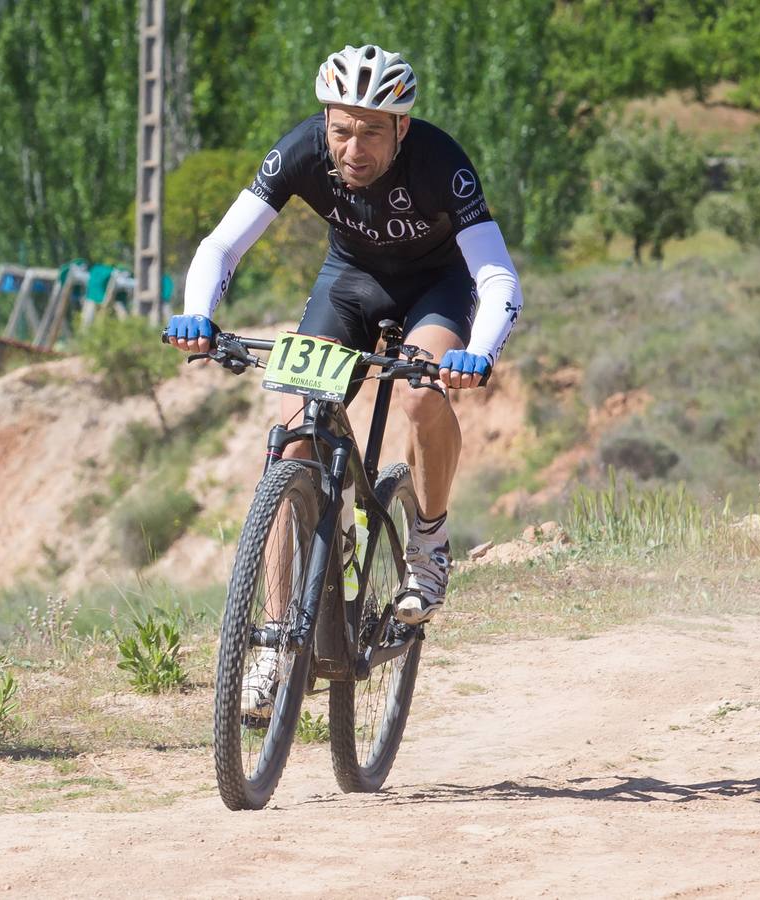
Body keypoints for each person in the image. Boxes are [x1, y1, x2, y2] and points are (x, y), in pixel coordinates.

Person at [163, 45, 524, 707]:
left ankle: (429, 543)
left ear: (401, 129)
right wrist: (196, 313)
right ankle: (274, 641)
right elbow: (222, 245)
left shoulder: (442, 162)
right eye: (340, 130)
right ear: (324, 122)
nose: (353, 147)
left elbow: (496, 274)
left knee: (420, 394)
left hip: (435, 291)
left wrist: (479, 351)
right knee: (292, 435)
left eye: (371, 132)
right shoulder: (301, 149)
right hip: (349, 286)